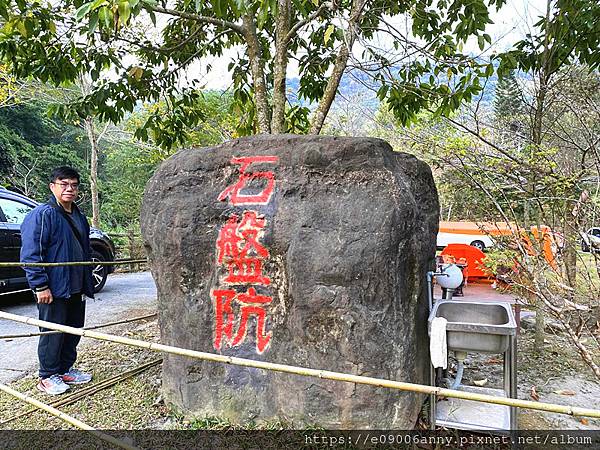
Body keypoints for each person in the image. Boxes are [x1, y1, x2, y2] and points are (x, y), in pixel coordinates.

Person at [20, 166, 94, 395]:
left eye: (73, 185)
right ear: (53, 187)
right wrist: (40, 285)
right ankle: (47, 375)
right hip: (53, 287)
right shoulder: (43, 214)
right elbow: (31, 253)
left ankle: (64, 369)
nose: (69, 189)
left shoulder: (79, 215)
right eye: (64, 184)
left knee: (73, 329)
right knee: (52, 331)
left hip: (75, 284)